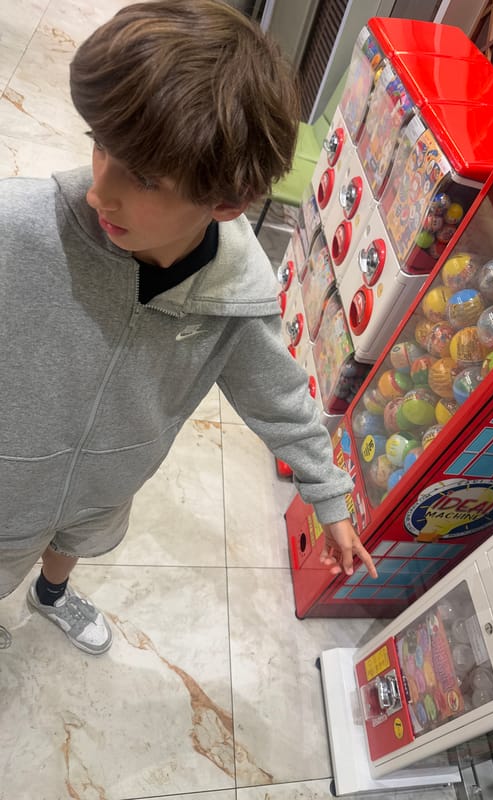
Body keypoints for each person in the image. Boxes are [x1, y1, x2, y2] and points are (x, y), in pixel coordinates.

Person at [0, 0, 377, 655]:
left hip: (112, 478)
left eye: (144, 177)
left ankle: (51, 595)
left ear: (226, 204)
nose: (100, 191)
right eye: (101, 148)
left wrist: (329, 496)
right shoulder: (21, 230)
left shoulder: (237, 293)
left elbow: (280, 397)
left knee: (80, 539)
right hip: (9, 474)